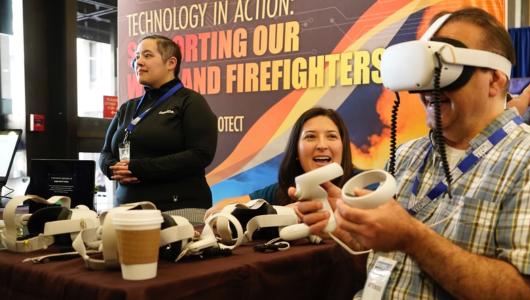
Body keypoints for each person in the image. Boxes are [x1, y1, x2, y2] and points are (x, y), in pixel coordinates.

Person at [297, 8, 530, 300]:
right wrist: (350, 227)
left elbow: (526, 293)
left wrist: (413, 238)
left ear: (495, 80)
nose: (428, 87)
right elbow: (388, 251)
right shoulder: (408, 154)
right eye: (425, 69)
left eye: (444, 68)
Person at [99, 34, 218, 222]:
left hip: (178, 210)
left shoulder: (190, 101)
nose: (138, 62)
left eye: (147, 55)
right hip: (125, 210)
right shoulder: (128, 107)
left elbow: (201, 154)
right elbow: (105, 152)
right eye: (136, 57)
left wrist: (140, 168)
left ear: (171, 63)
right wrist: (112, 168)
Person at [205, 107, 355, 220]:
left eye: (331, 136)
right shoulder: (284, 190)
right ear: (296, 151)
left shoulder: (363, 185)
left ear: (343, 147)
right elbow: (214, 213)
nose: (322, 145)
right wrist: (278, 213)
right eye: (310, 137)